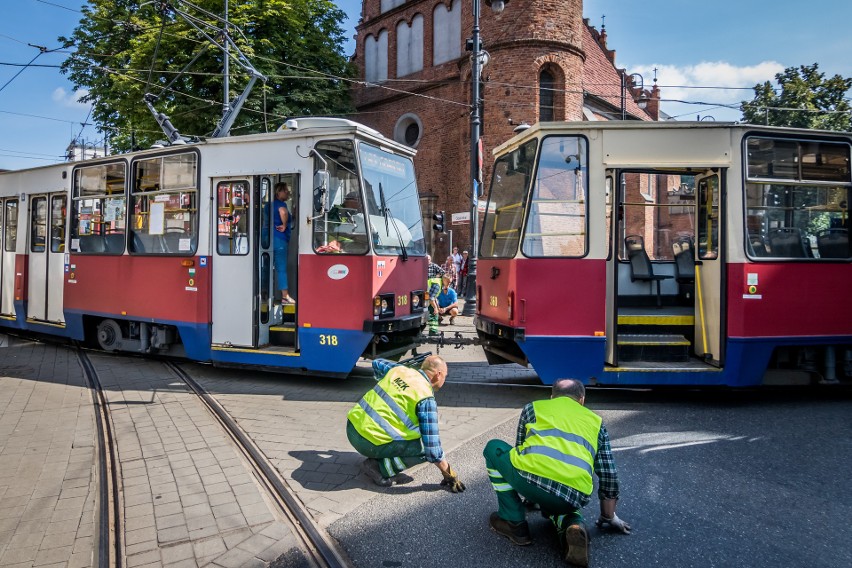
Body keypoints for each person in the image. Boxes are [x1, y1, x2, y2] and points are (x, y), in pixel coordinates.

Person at [483, 378, 630, 567]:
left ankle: (513, 522)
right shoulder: (597, 423)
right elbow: (609, 473)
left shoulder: (533, 408)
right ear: (582, 400)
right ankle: (573, 525)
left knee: (494, 447)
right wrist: (608, 516)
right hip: (573, 494)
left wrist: (530, 493)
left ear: (552, 397)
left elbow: (521, 449)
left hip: (530, 479)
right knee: (561, 499)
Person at [346, 355, 465, 492]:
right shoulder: (426, 398)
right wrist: (449, 473)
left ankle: (380, 453)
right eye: (445, 375)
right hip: (367, 443)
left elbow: (378, 362)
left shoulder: (399, 370)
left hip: (351, 428)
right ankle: (379, 467)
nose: (444, 379)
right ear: (438, 375)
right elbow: (432, 450)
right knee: (423, 448)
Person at [273, 182, 294, 304]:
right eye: (285, 190)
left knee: (266, 267)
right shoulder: (281, 205)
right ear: (278, 192)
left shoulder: (269, 205)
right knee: (281, 268)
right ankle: (285, 296)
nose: (287, 192)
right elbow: (283, 212)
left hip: (268, 239)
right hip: (279, 240)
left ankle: (264, 293)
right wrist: (285, 225)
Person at [426, 255, 445, 335]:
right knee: (434, 312)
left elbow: (442, 272)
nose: (428, 261)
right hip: (427, 296)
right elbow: (431, 297)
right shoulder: (437, 284)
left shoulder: (434, 266)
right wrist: (436, 308)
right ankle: (433, 331)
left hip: (427, 294)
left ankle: (433, 331)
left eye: (429, 259)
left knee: (433, 313)